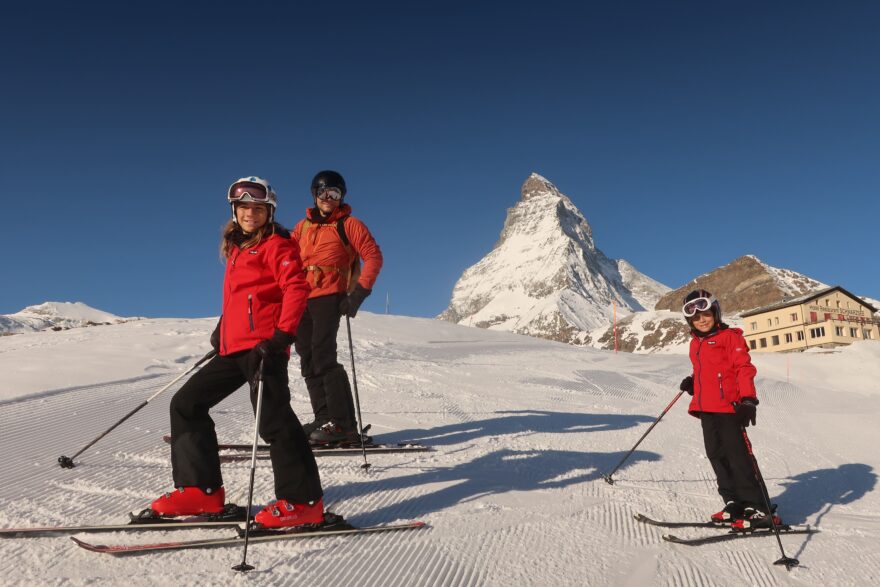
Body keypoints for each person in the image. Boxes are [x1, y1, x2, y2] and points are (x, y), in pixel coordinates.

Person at [150, 176, 324, 529]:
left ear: (269, 211)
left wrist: (281, 336)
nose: (250, 213)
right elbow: (240, 298)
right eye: (243, 207)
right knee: (186, 404)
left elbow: (295, 288)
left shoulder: (277, 244)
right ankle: (200, 491)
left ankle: (303, 502)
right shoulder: (236, 248)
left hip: (264, 348)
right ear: (234, 210)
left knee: (274, 421)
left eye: (257, 208)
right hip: (234, 348)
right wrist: (223, 329)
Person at [292, 170, 383, 444]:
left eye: (334, 192)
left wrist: (358, 294)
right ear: (314, 194)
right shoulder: (302, 227)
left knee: (323, 357)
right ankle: (324, 419)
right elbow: (287, 260)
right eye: (323, 192)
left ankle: (344, 425)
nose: (328, 197)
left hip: (329, 296)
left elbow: (373, 256)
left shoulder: (349, 224)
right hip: (301, 298)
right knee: (308, 359)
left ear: (341, 196)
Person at [678, 288, 780, 530]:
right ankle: (733, 502)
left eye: (706, 314)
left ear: (716, 312)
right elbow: (707, 370)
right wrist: (694, 381)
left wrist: (748, 400)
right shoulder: (695, 343)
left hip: (729, 408)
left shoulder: (730, 337)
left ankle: (758, 507)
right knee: (716, 455)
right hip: (706, 408)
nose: (702, 320)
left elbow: (743, 368)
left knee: (738, 457)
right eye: (695, 317)